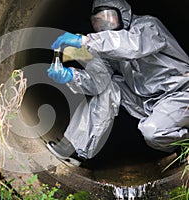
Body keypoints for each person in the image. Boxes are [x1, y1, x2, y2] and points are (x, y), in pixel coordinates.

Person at [46, 0, 189, 166]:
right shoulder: (104, 49)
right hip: (149, 102)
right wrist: (71, 76)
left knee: (153, 132)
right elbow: (98, 82)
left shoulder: (147, 26)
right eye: (98, 22)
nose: (104, 25)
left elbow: (131, 46)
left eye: (108, 18)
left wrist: (86, 42)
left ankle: (184, 145)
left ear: (123, 15)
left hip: (181, 93)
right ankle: (75, 149)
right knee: (108, 86)